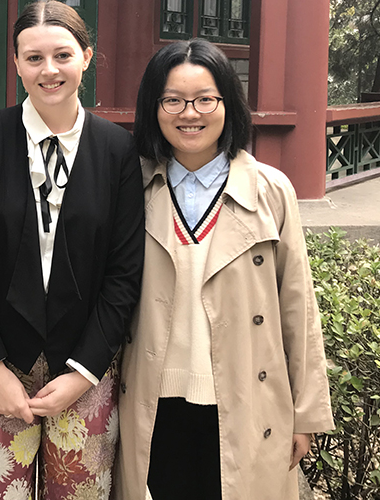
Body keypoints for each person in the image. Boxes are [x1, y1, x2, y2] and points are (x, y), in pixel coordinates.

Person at [0, 0, 144, 500]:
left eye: (62, 55)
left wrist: (84, 372)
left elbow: (124, 271)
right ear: (16, 63)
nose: (49, 70)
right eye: (34, 58)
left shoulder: (116, 149)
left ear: (86, 57)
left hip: (86, 365)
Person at [116, 39, 335, 500]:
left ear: (227, 104)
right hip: (154, 397)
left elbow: (297, 306)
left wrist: (307, 413)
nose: (189, 114)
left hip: (245, 397)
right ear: (153, 107)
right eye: (172, 100)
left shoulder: (270, 190)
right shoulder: (131, 185)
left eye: (204, 99)